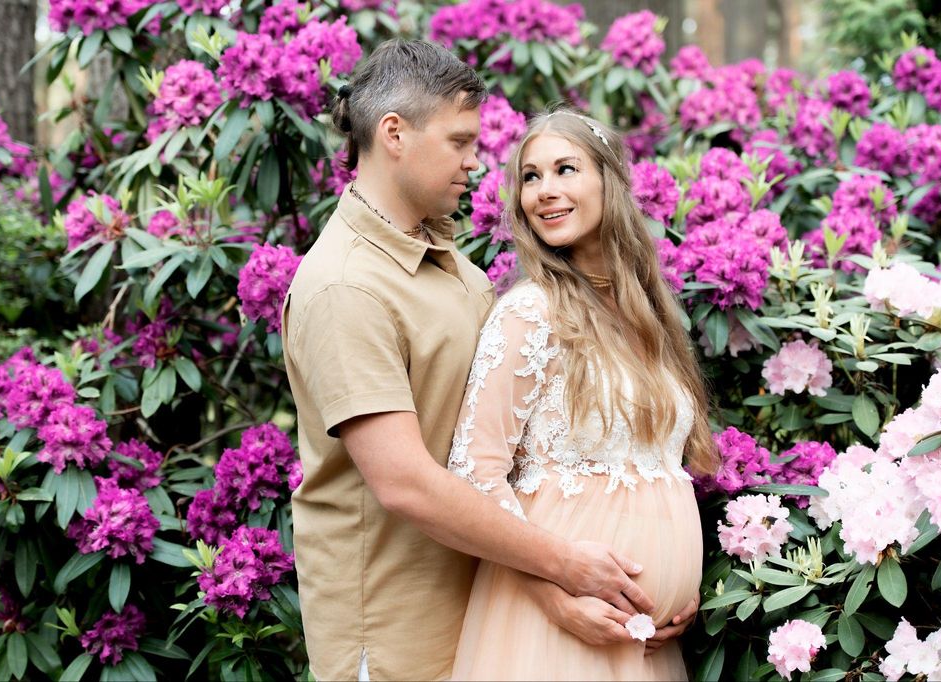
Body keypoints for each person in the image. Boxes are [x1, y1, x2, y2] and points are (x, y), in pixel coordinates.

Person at [282, 42, 651, 681]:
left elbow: (500, 455)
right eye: (459, 141)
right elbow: (404, 483)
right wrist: (564, 564)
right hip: (400, 635)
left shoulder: (457, 269)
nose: (476, 162)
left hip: (488, 613)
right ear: (394, 134)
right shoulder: (346, 286)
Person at [448, 108, 720, 680]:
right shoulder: (529, 312)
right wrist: (554, 595)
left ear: (608, 180)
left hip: (651, 644)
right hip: (555, 631)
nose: (545, 192)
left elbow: (659, 469)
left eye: (565, 170)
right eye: (530, 176)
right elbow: (474, 475)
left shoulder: (650, 316)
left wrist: (679, 590)